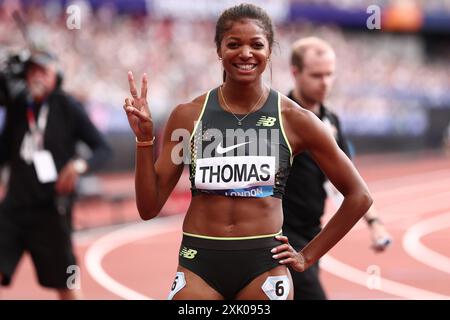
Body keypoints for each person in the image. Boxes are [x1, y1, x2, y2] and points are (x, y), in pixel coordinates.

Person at [123, 3, 372, 300]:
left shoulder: (295, 119)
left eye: (256, 44)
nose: (245, 53)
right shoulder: (188, 117)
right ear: (218, 50)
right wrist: (144, 141)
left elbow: (359, 196)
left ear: (269, 51)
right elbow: (148, 208)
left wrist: (308, 256)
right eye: (233, 44)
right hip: (198, 263)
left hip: (263, 268)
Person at [282, 37, 392, 300]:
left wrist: (375, 223)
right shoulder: (281, 117)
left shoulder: (331, 120)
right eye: (317, 75)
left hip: (313, 234)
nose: (325, 82)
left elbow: (350, 180)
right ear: (295, 72)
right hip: (282, 235)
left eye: (330, 74)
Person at [0, 50, 112, 299]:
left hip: (51, 210)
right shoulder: (19, 104)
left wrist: (79, 166)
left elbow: (103, 148)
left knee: (66, 284)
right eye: (31, 71)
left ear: (55, 75)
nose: (36, 77)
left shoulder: (66, 105)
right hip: (14, 207)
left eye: (43, 71)